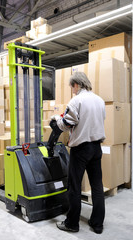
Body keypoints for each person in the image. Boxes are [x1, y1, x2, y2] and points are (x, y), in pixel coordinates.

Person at [51, 72, 106, 234]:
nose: (72, 90)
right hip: (96, 148)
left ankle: (72, 223)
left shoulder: (77, 101)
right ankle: (97, 224)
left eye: (72, 87)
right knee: (97, 186)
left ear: (76, 84)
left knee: (74, 186)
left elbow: (67, 124)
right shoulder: (100, 100)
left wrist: (56, 118)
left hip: (81, 148)